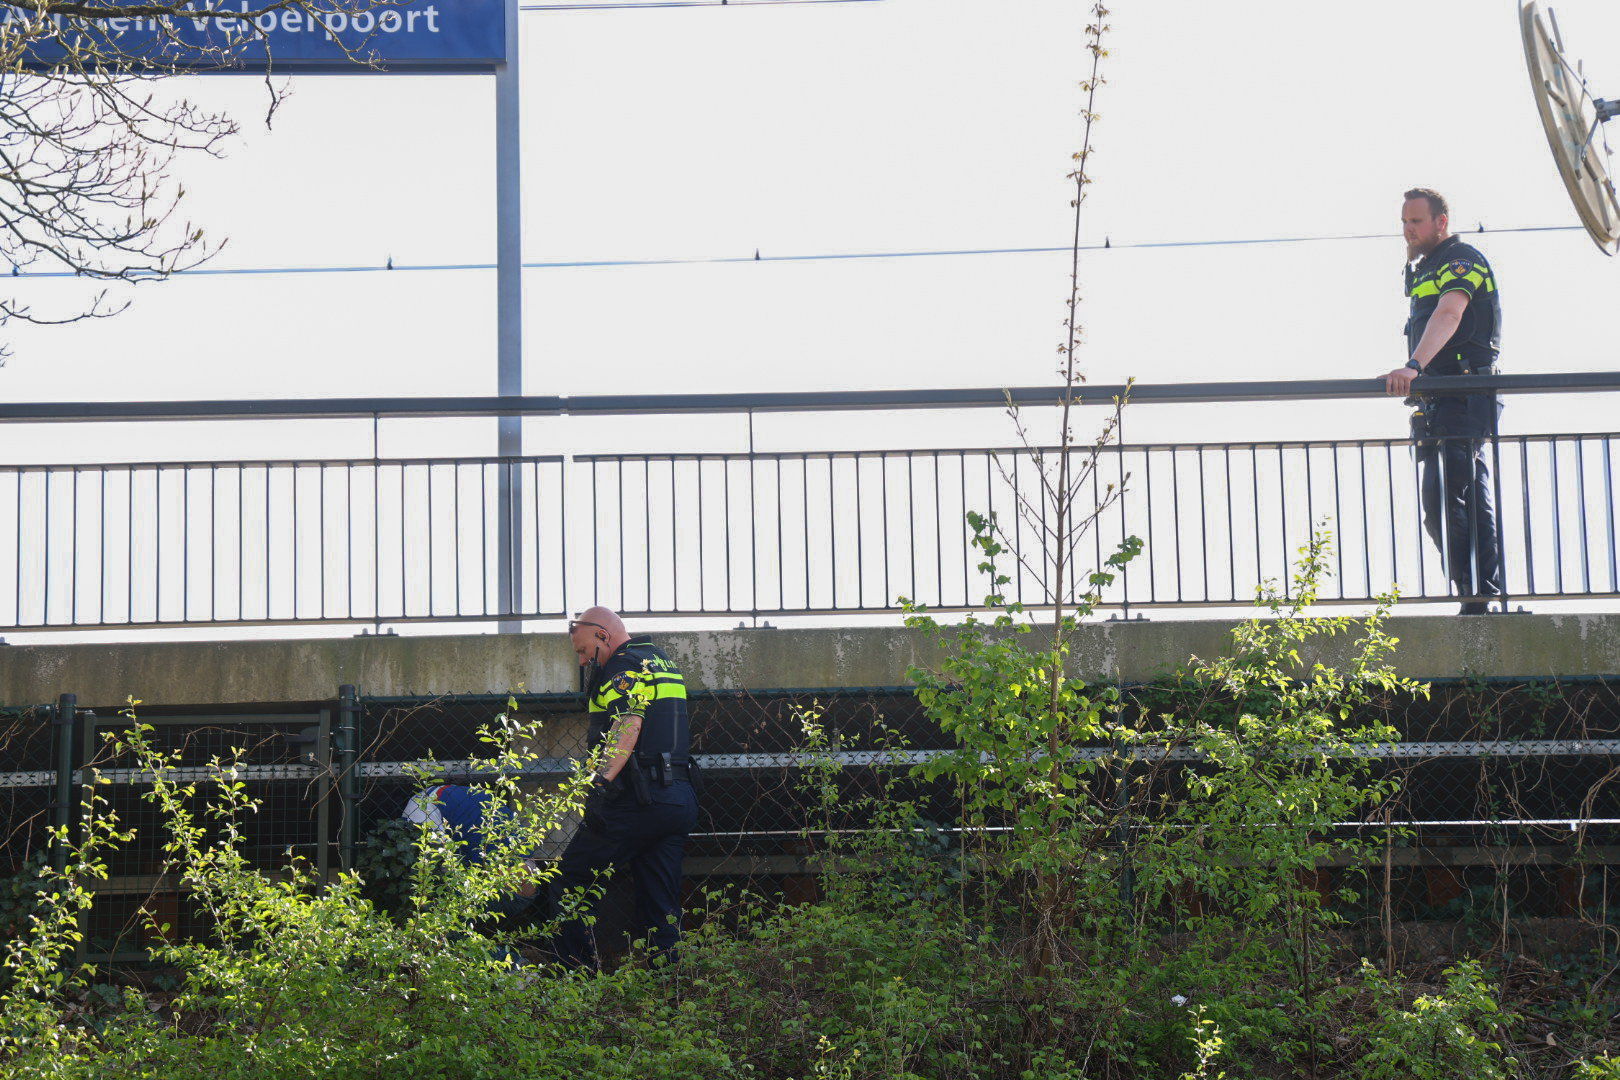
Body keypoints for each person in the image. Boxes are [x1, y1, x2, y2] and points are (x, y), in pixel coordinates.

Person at [548, 606, 699, 968]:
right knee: (660, 901)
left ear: (604, 635)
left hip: (638, 798)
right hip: (678, 798)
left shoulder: (622, 666)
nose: (583, 662)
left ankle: (575, 978)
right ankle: (670, 987)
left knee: (568, 879)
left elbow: (627, 724)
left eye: (584, 651)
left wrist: (599, 783)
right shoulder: (661, 661)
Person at [1382, 187, 1504, 615]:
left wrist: (1412, 366)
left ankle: (1478, 594)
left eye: (1416, 221)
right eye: (1404, 222)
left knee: (1453, 495)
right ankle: (1476, 591)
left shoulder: (1462, 260)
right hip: (1440, 401)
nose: (1408, 230)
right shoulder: (1426, 268)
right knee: (1450, 497)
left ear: (1441, 222)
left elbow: (1450, 314)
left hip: (1465, 392)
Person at [402, 783, 541, 916]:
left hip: (444, 800)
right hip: (426, 808)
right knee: (445, 886)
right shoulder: (498, 850)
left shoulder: (519, 845)